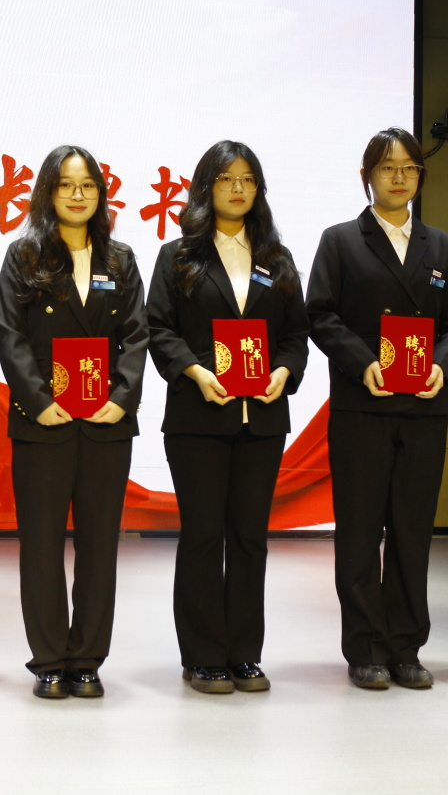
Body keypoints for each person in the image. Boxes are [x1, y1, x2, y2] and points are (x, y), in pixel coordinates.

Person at [306, 127, 448, 690]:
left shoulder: (440, 245)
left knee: (412, 530)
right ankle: (365, 648)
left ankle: (406, 647)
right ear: (367, 176)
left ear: (420, 176)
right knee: (358, 531)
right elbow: (320, 314)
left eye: (409, 168)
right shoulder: (340, 241)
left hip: (424, 408)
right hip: (363, 405)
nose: (399, 177)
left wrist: (442, 363)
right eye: (387, 167)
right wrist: (363, 363)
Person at [146, 141, 309, 694]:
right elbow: (158, 328)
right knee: (202, 535)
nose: (238, 188)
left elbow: (295, 335)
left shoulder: (277, 258)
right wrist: (194, 371)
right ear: (205, 187)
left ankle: (244, 653)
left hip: (262, 420)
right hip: (198, 418)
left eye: (247, 179)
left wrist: (284, 372)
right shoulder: (178, 256)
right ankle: (202, 656)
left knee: (249, 537)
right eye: (225, 179)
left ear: (259, 189)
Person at [0, 145, 147, 699]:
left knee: (100, 546)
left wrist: (123, 397)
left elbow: (137, 335)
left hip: (106, 423)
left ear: (101, 194)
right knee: (41, 546)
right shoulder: (25, 255)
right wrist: (38, 400)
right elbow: (10, 335)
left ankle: (87, 660)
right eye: (65, 185)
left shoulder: (121, 259)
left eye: (87, 186)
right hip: (43, 422)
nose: (77, 195)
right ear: (48, 193)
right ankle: (48, 661)